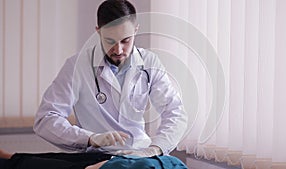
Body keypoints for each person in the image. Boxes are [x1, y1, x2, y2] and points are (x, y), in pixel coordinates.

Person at [34, 0, 187, 158]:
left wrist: (154, 149)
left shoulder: (149, 62)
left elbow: (175, 113)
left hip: (141, 154)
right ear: (98, 31)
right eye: (110, 41)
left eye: (125, 40)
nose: (118, 50)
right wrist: (89, 138)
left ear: (136, 31)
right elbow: (46, 119)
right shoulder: (77, 66)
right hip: (97, 155)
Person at [0, 149, 188, 169]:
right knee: (55, 158)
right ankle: (9, 157)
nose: (119, 50)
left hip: (107, 163)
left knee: (43, 164)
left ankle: (8, 159)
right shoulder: (177, 165)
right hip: (115, 156)